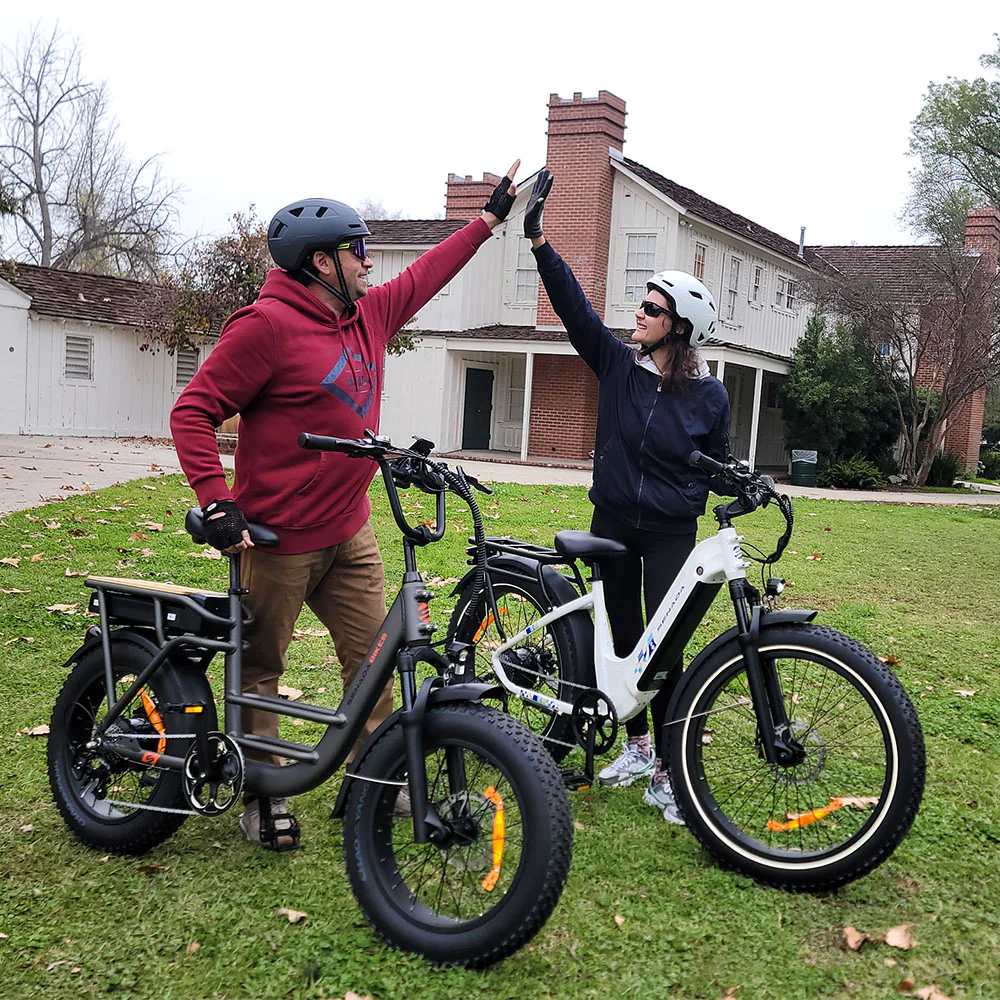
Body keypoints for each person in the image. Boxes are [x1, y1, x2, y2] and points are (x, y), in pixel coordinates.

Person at [170, 162, 521, 849]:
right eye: (357, 250)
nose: (368, 262)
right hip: (274, 541)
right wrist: (217, 502)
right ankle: (262, 793)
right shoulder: (265, 328)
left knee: (373, 660)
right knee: (261, 667)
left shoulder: (369, 315)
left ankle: (376, 780)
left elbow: (425, 276)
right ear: (320, 263)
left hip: (349, 532)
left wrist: (486, 221)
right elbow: (194, 410)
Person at [523, 168, 731, 823]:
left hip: (670, 533)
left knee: (662, 653)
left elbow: (718, 464)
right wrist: (538, 243)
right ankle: (638, 748)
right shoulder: (618, 367)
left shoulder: (710, 395)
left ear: (679, 328)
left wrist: (716, 490)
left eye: (651, 309)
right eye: (641, 305)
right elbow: (573, 308)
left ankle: (668, 772)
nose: (637, 315)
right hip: (613, 522)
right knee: (625, 640)